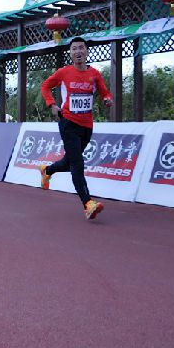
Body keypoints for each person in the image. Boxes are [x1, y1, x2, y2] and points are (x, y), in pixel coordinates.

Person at [39, 37, 113, 220]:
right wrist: (52, 105)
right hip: (68, 123)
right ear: (70, 53)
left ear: (86, 51)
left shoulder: (95, 74)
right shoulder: (64, 72)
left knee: (69, 162)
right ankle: (88, 204)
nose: (78, 51)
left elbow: (105, 92)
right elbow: (45, 86)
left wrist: (107, 99)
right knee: (77, 164)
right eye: (74, 49)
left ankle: (47, 170)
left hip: (87, 126)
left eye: (81, 48)